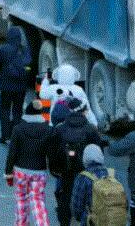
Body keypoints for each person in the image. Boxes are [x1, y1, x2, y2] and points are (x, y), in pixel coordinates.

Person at [48, 97, 104, 226]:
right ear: (82, 112)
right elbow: (98, 150)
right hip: (86, 170)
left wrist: (55, 169)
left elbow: (52, 150)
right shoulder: (90, 129)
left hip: (65, 169)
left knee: (65, 194)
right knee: (88, 197)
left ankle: (64, 221)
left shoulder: (60, 128)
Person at [4, 100, 52, 226]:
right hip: (39, 171)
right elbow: (50, 153)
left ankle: (21, 223)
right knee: (37, 200)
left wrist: (8, 173)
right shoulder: (47, 129)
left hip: (20, 171)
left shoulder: (18, 129)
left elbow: (12, 153)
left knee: (21, 200)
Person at [70, 143, 123, 226]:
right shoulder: (113, 174)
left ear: (84, 157)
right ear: (101, 156)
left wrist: (81, 218)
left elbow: (77, 206)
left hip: (92, 221)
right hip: (113, 220)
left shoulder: (83, 177)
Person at [0, 26, 30, 144]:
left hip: (6, 86)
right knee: (17, 111)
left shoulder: (4, 49)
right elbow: (29, 64)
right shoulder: (24, 50)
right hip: (21, 86)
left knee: (4, 109)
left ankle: (5, 135)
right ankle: (16, 136)